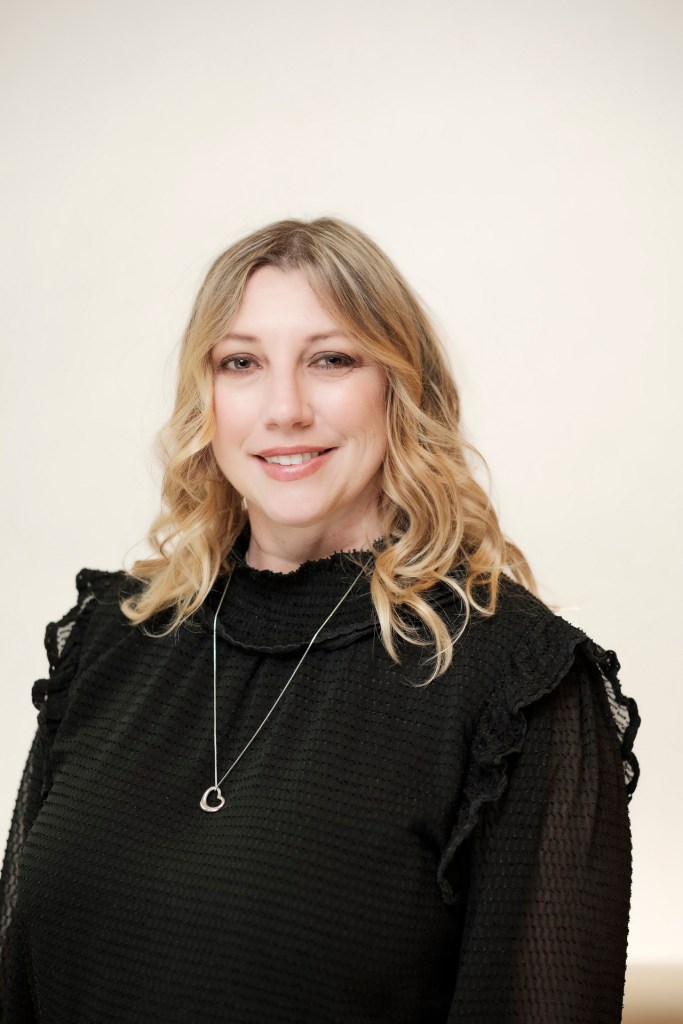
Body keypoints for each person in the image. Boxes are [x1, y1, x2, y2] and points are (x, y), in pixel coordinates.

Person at [0, 217, 640, 1023]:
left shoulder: (514, 681)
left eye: (330, 360)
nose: (284, 408)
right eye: (241, 363)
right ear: (207, 398)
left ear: (399, 389)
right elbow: (17, 981)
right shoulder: (112, 639)